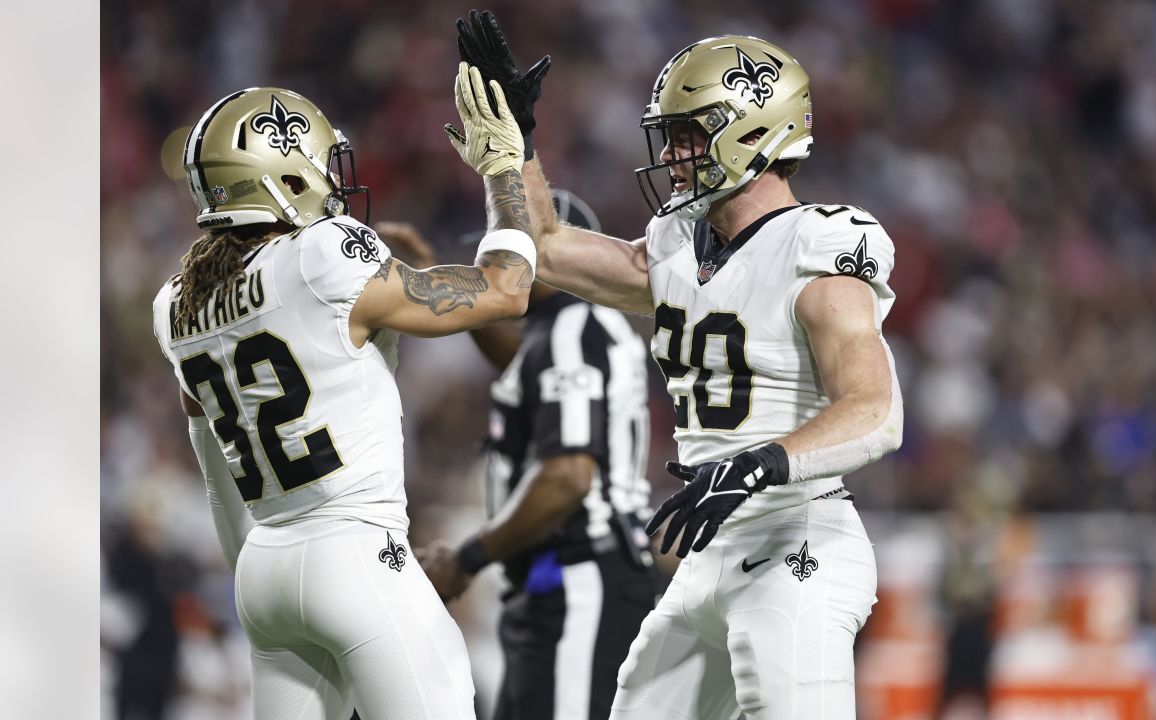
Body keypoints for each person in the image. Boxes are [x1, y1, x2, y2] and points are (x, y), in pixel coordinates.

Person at [451, 12, 904, 719]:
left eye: (693, 131)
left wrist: (759, 463)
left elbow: (875, 409)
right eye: (675, 133)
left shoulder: (819, 247)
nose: (676, 152)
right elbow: (542, 241)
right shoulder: (675, 246)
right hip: (707, 557)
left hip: (795, 543)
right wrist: (515, 152)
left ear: (757, 131)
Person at [151, 77, 534, 720]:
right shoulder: (318, 254)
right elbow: (507, 291)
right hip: (355, 553)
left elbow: (214, 469)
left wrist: (253, 560)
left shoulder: (174, 304)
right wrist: (505, 172)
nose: (332, 178)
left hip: (264, 568)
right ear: (283, 174)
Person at [379, 190, 659, 720]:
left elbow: (568, 476)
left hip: (580, 576)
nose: (494, 266)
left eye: (509, 253)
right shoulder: (567, 334)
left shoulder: (575, 336)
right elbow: (520, 361)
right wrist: (438, 284)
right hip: (567, 579)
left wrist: (467, 559)